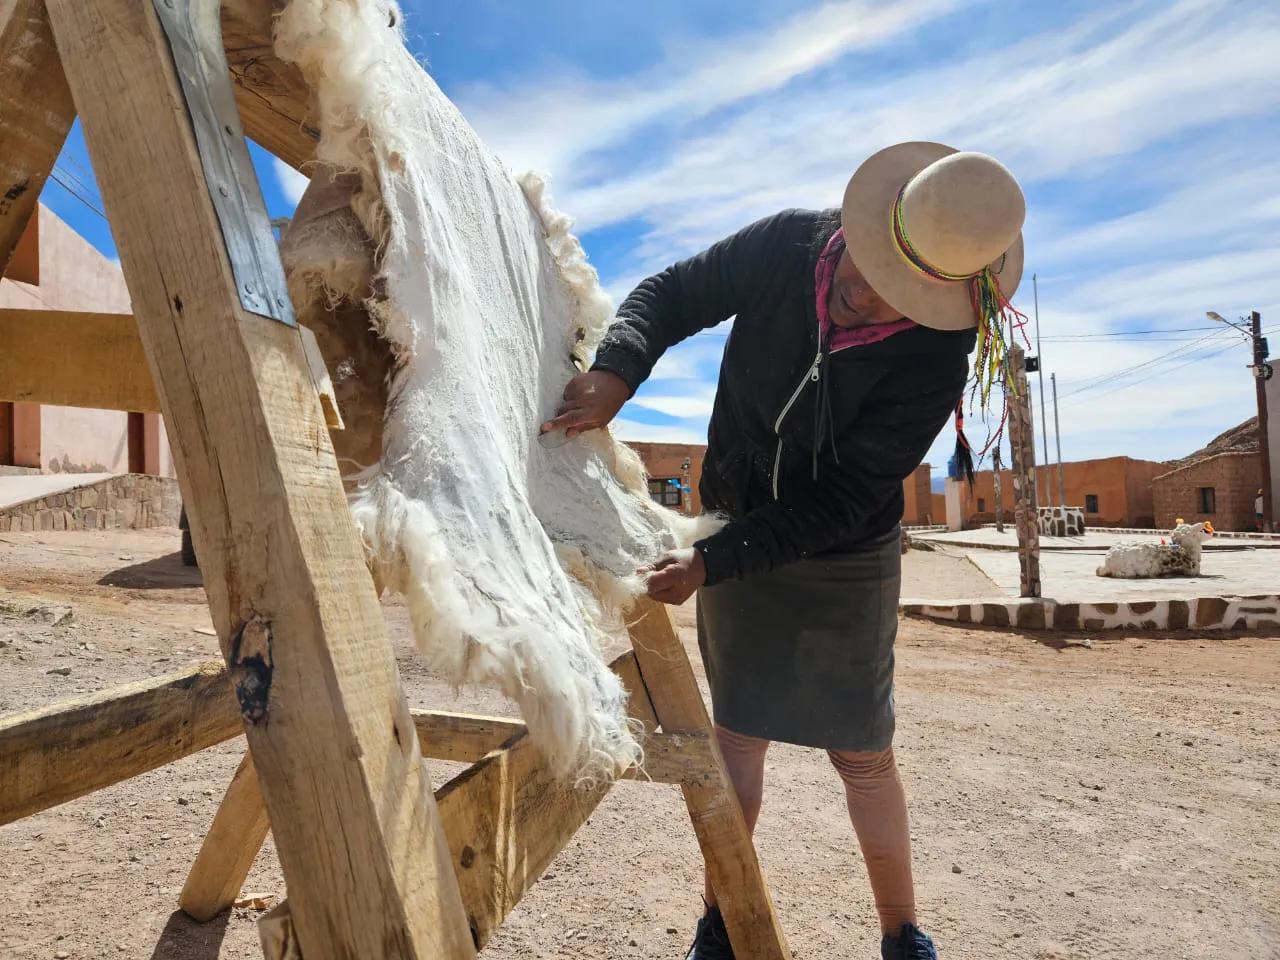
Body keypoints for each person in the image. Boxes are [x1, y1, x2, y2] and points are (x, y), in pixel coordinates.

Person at [541, 142, 1027, 960]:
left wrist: (710, 565)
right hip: (731, 523)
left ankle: (902, 932)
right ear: (866, 228)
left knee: (863, 750)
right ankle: (723, 920)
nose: (865, 296)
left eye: (899, 297)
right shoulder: (788, 244)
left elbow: (845, 497)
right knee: (737, 735)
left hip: (841, 550)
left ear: (946, 297)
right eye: (869, 269)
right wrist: (620, 370)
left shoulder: (937, 353)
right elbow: (675, 291)